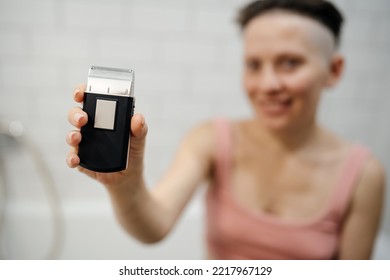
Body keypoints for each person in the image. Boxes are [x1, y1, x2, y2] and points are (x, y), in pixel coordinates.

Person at [66, 0, 385, 259]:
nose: (268, 84)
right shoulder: (211, 139)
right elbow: (154, 227)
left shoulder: (364, 175)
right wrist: (124, 183)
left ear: (334, 70)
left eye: (290, 63)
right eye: (254, 65)